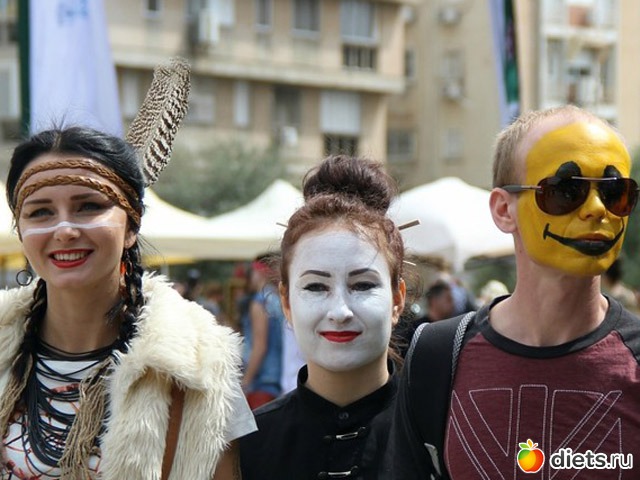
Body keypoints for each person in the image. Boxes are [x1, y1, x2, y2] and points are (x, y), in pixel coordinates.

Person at [389, 104, 640, 479]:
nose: (596, 209)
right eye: (566, 190)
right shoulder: (436, 358)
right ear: (504, 210)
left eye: (614, 192)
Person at [0, 126, 256, 479]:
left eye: (89, 206)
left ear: (132, 225)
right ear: (21, 231)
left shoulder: (198, 366)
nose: (64, 230)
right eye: (40, 212)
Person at [239, 155, 407, 479]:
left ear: (397, 299)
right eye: (316, 287)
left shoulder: (442, 436)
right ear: (286, 302)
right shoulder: (246, 448)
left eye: (362, 285)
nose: (340, 312)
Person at [241, 255, 284, 409]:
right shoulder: (278, 299)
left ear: (259, 272)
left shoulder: (259, 302)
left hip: (261, 382)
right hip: (278, 380)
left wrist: (246, 381)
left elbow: (260, 346)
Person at [394, 279, 456, 357]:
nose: (453, 304)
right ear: (434, 300)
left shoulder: (450, 331)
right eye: (448, 299)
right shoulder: (417, 330)